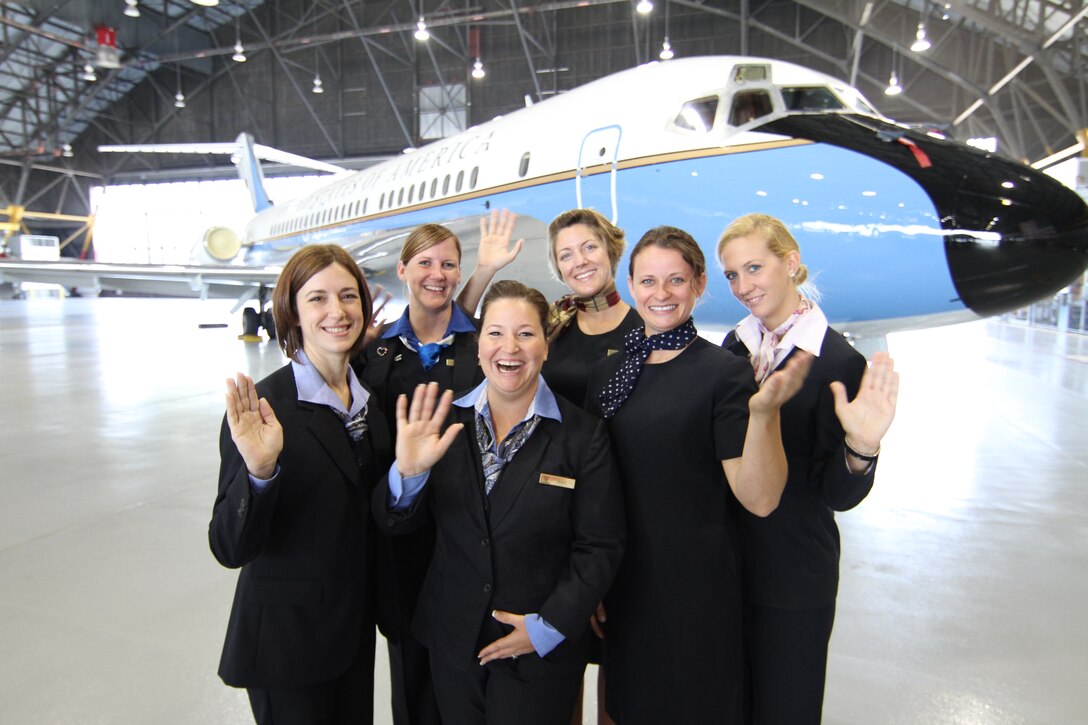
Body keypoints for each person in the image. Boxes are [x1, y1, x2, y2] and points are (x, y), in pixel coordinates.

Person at [585, 226, 811, 724]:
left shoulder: (722, 373)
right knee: (621, 710)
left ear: (699, 284)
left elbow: (760, 497)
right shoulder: (609, 373)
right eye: (647, 281)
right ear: (629, 285)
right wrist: (590, 580)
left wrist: (765, 412)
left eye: (675, 280)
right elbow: (592, 492)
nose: (660, 294)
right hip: (623, 585)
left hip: (694, 592)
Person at [374, 280, 626, 725]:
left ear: (547, 345)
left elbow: (600, 546)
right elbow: (394, 523)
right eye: (495, 332)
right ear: (478, 345)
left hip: (538, 655)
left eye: (526, 334)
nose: (509, 347)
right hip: (453, 643)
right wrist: (407, 473)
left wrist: (546, 627)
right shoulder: (440, 424)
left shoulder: (583, 437)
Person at [459, 208, 641, 724]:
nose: (579, 261)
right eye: (566, 254)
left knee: (619, 683)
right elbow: (484, 341)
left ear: (611, 249)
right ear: (557, 268)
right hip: (555, 515)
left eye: (589, 247)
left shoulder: (646, 328)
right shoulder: (554, 329)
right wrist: (483, 274)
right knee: (560, 677)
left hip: (617, 519)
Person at [716, 213, 898, 725]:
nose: (743, 285)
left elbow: (837, 496)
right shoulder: (735, 350)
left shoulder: (838, 362)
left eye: (754, 267)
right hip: (725, 569)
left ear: (790, 263)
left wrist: (861, 447)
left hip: (791, 577)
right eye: (732, 274)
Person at [209, 244, 391, 725]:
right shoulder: (264, 407)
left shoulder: (371, 404)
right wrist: (260, 472)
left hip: (351, 636)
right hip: (287, 644)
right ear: (291, 311)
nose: (338, 311)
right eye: (318, 298)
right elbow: (229, 546)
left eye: (349, 296)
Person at [356, 213, 519, 725]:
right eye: (425, 262)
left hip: (470, 532)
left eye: (450, 264)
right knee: (412, 673)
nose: (438, 273)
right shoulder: (374, 352)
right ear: (402, 269)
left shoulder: (482, 348)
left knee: (474, 673)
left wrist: (485, 272)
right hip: (400, 531)